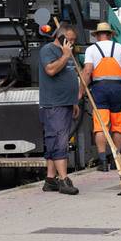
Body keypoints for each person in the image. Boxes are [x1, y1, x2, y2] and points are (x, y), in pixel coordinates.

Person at [81, 22, 121, 172]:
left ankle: (102, 161)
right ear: (110, 35)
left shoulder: (91, 49)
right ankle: (116, 159)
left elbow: (87, 71)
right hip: (118, 89)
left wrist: (81, 90)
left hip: (99, 89)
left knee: (101, 126)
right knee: (118, 126)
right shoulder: (120, 48)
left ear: (97, 35)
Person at [38, 23, 81, 195]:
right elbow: (51, 70)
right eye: (69, 39)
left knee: (54, 140)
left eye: (73, 40)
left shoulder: (68, 51)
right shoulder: (48, 50)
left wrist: (74, 101)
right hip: (54, 104)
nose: (71, 43)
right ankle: (64, 179)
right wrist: (65, 55)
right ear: (60, 37)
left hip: (66, 103)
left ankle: (50, 180)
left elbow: (70, 75)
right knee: (59, 141)